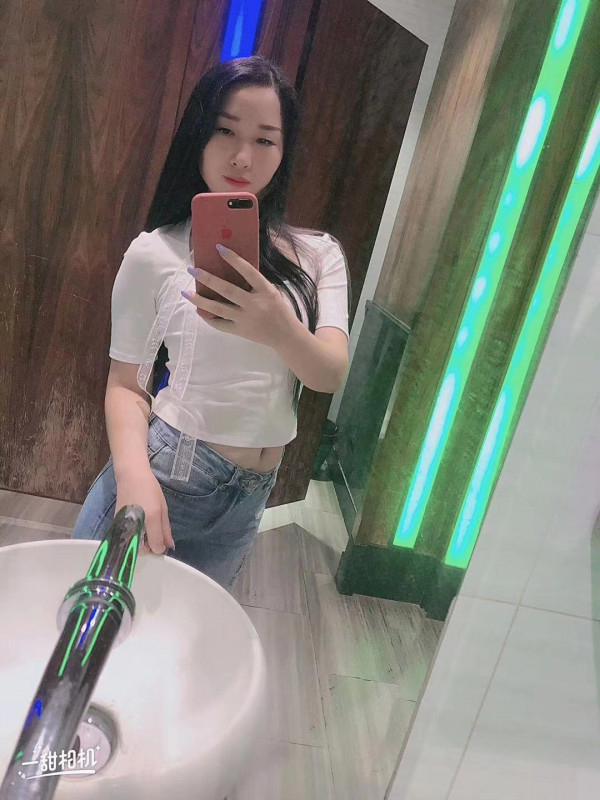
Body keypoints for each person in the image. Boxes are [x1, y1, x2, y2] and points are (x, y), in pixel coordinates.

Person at [71, 56, 350, 590]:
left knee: (187, 637)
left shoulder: (318, 256)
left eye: (265, 139)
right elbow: (125, 385)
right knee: (95, 627)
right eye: (225, 130)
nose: (243, 156)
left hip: (250, 498)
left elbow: (328, 375)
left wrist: (278, 326)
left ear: (284, 152)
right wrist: (133, 477)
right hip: (167, 474)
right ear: (198, 134)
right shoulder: (156, 252)